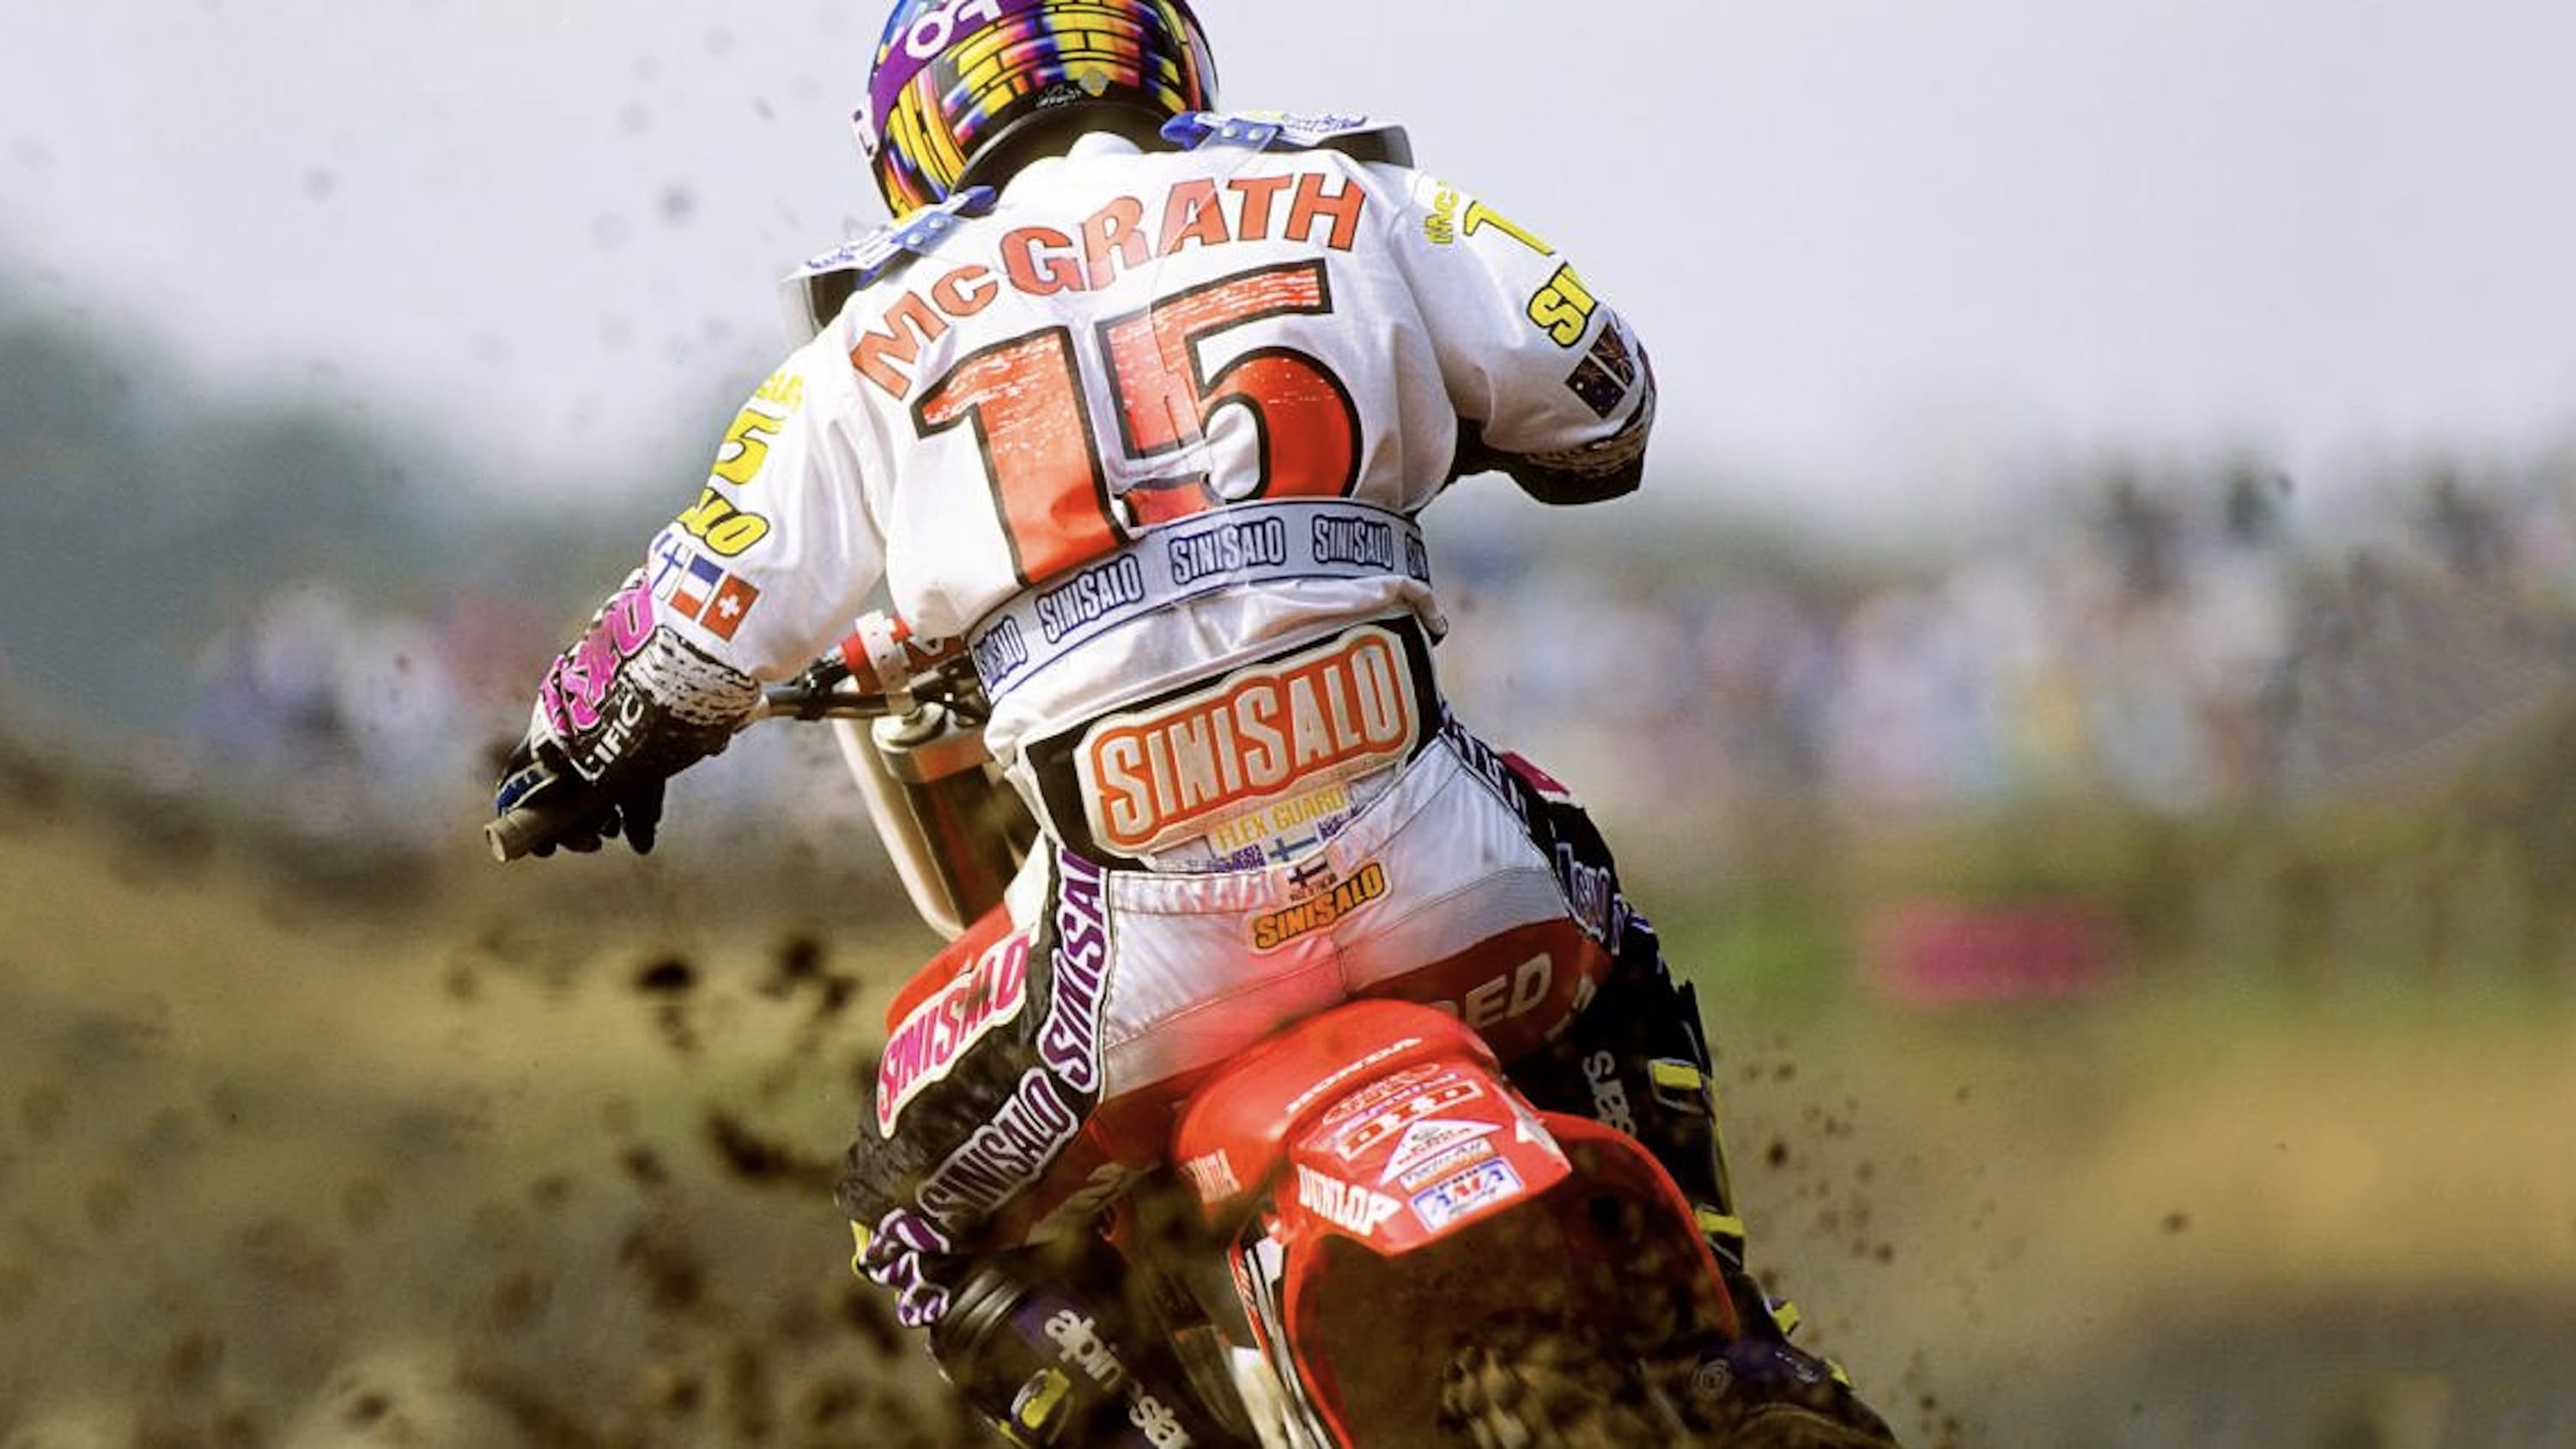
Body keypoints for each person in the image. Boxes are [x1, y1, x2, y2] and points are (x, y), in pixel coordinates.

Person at [493, 1, 1899, 1443]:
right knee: (1616, 955)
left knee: (910, 1224)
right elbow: (1605, 401)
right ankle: (1739, 1342)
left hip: (1145, 964)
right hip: (1448, 876)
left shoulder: (865, 344)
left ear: (915, 137)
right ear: (1164, 54)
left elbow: (679, 630)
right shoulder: (1354, 195)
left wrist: (570, 749)